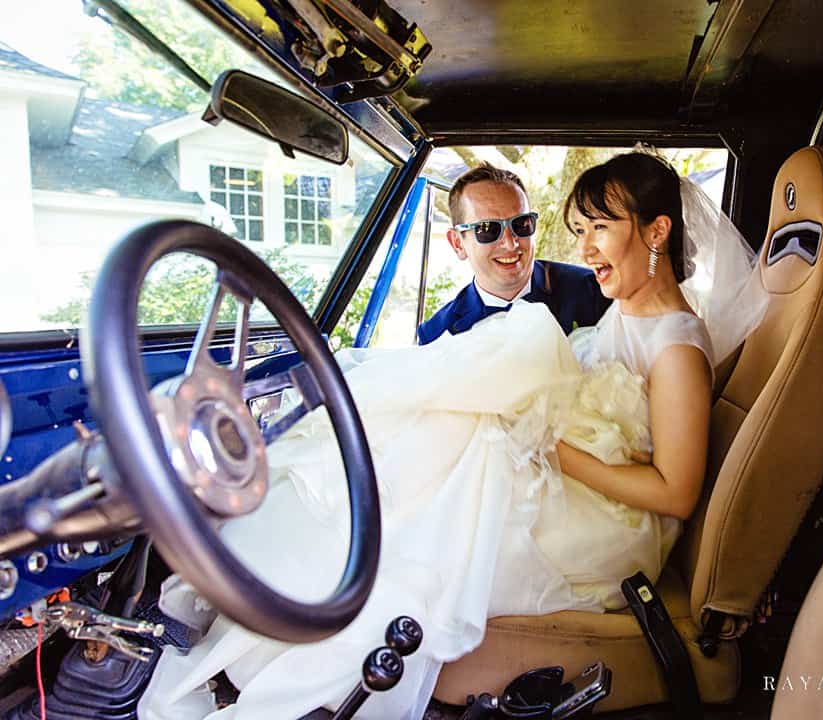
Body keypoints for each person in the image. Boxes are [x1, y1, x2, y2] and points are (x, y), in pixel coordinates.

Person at [139, 152, 768, 720]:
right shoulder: (626, 307)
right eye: (579, 232)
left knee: (460, 458)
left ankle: (295, 608)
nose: (585, 250)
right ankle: (283, 589)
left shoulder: (677, 348)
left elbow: (677, 494)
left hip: (611, 524)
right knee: (441, 441)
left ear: (657, 231)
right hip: (572, 476)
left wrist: (551, 449)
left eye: (600, 228)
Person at [417, 162, 611, 344]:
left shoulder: (593, 292)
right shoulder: (438, 335)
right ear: (458, 243)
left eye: (521, 224)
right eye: (488, 229)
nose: (510, 244)